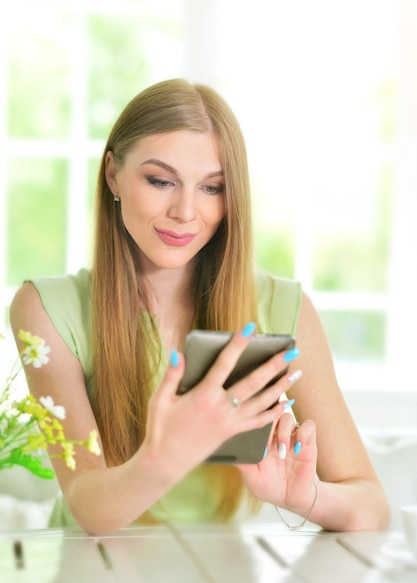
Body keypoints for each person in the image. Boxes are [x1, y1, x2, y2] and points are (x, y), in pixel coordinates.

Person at [10, 78, 390, 535]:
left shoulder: (283, 308)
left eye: (212, 188)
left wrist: (304, 496)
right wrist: (167, 455)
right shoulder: (48, 308)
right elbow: (89, 508)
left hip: (222, 580)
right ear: (113, 174)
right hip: (91, 572)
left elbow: (371, 507)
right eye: (161, 181)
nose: (186, 211)